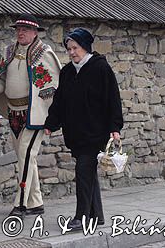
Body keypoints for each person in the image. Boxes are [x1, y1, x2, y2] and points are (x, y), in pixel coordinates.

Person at [0, 14, 62, 218]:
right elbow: (2, 80)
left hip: (35, 115)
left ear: (35, 33)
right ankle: (36, 202)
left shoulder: (44, 54)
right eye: (18, 29)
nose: (20, 32)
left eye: (25, 29)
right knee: (25, 157)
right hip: (14, 113)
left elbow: (52, 85)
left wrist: (47, 112)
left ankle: (21, 203)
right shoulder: (10, 52)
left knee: (25, 154)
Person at [43, 28, 123, 231]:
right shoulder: (68, 72)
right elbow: (59, 101)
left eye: (75, 48)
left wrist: (115, 127)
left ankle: (81, 217)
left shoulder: (100, 68)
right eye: (68, 49)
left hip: (96, 131)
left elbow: (113, 99)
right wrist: (51, 124)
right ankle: (98, 215)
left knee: (83, 170)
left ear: (85, 47)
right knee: (87, 172)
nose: (71, 52)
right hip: (76, 132)